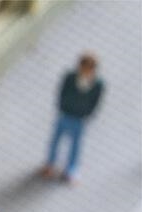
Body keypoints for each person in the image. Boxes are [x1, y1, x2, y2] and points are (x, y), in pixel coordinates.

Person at [42, 53, 103, 183]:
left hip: (79, 118)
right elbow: (62, 92)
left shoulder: (97, 84)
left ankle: (71, 170)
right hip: (65, 114)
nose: (86, 71)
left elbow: (95, 101)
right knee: (56, 140)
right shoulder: (70, 77)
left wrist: (87, 114)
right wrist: (62, 107)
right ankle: (50, 164)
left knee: (75, 145)